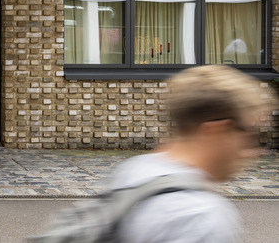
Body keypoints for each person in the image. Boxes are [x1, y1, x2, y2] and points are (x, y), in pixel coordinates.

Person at [111, 64, 265, 243]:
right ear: (219, 131)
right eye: (248, 133)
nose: (253, 151)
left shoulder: (132, 170)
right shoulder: (200, 216)